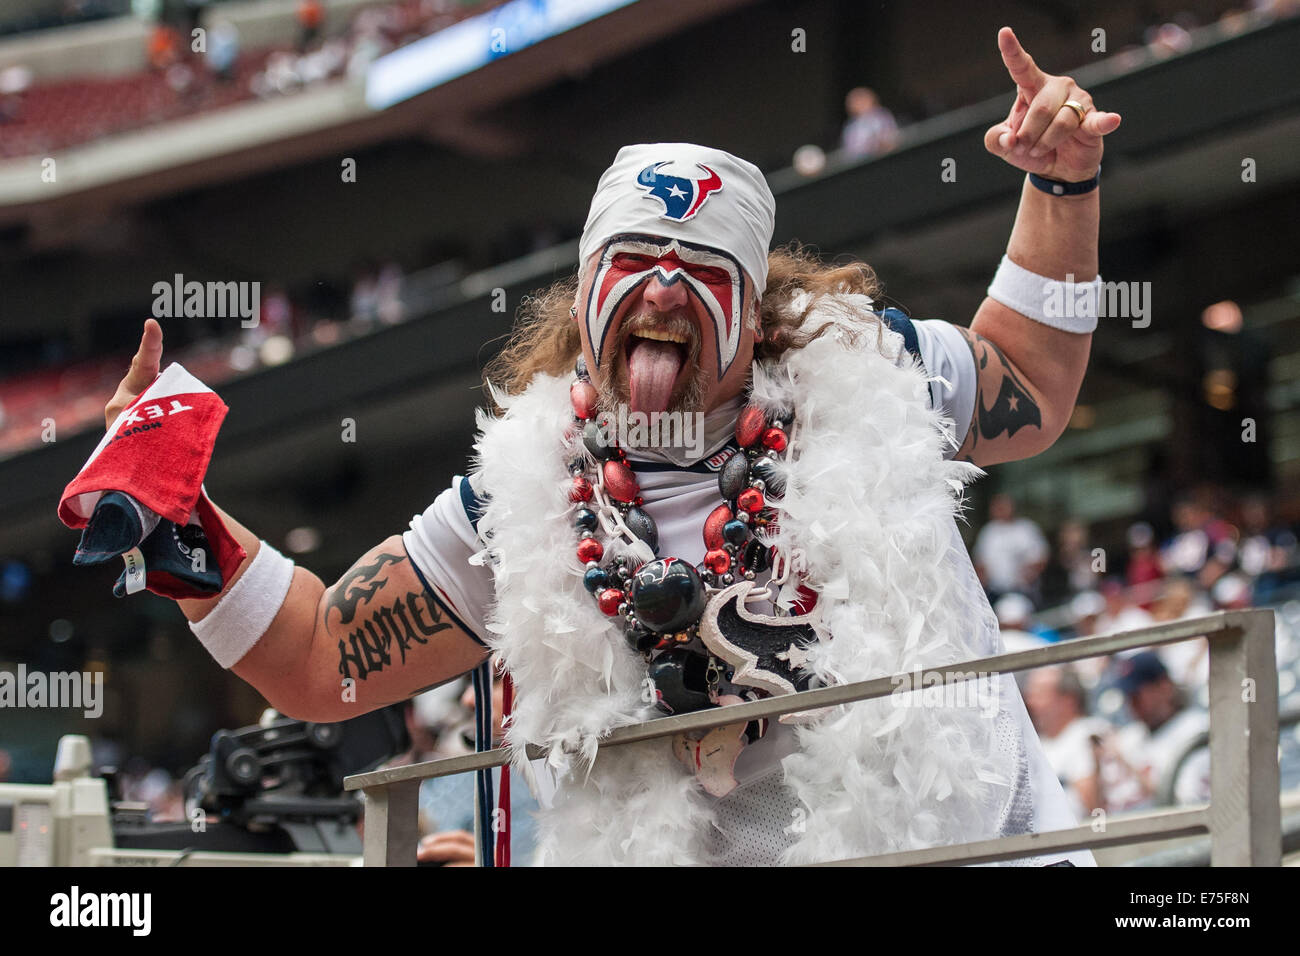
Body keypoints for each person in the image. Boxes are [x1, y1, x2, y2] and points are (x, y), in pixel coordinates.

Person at [97, 28, 1120, 865]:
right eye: (635, 261)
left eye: (702, 268)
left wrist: (1061, 186)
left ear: (758, 316)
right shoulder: (518, 501)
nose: (665, 288)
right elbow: (324, 658)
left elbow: (1028, 377)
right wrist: (171, 503)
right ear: (586, 298)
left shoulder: (873, 373)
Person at [974, 493, 1050, 604]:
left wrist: (1029, 574)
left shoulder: (1026, 529)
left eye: (1003, 507)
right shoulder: (988, 532)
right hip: (995, 591)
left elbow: (1041, 557)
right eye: (997, 507)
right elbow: (980, 563)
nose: (1000, 510)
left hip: (1023, 589)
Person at [840, 87, 900, 158]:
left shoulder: (882, 115)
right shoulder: (850, 128)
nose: (860, 104)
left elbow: (892, 136)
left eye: (862, 100)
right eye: (856, 102)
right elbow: (852, 152)